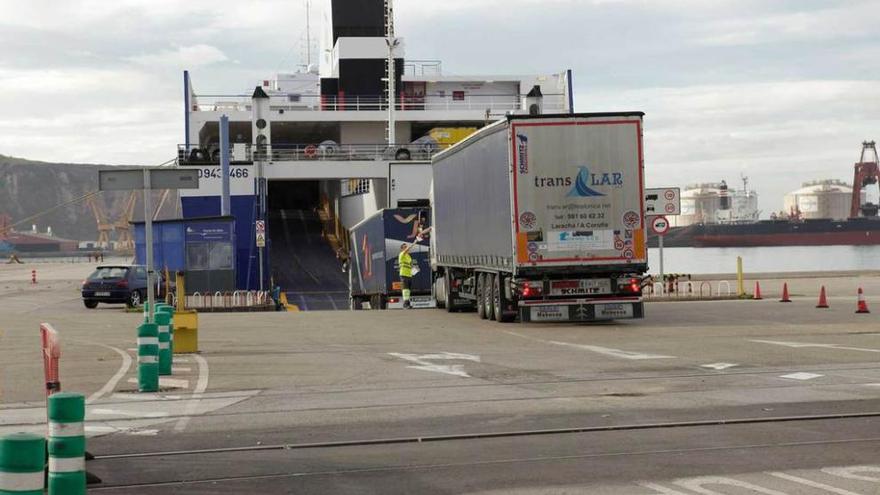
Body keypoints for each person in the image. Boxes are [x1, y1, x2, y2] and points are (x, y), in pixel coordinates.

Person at [398, 242, 414, 309]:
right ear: (402, 249)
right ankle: (405, 305)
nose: (406, 248)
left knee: (408, 290)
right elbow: (406, 250)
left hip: (409, 275)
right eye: (404, 247)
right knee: (405, 290)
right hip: (403, 274)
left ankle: (408, 304)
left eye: (406, 246)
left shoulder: (408, 256)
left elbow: (410, 265)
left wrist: (414, 268)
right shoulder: (401, 254)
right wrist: (413, 244)